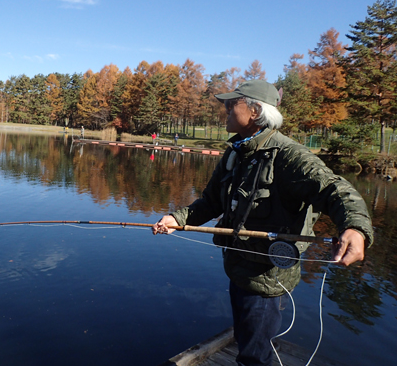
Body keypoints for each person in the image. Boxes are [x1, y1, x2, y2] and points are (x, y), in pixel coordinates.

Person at [152, 80, 373, 366]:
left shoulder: (288, 156)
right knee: (248, 341)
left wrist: (354, 228)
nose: (227, 109)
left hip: (266, 281)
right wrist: (176, 219)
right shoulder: (236, 153)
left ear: (255, 111)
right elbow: (210, 202)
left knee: (255, 355)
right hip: (238, 270)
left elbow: (335, 189)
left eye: (233, 104)